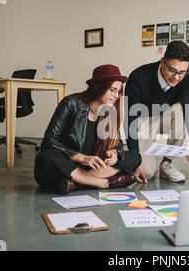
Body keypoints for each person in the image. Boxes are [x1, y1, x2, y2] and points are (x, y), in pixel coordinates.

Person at [34, 64, 142, 194]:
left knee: (135, 156)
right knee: (47, 155)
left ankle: (76, 184)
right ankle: (101, 183)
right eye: (112, 90)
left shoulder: (110, 112)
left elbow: (117, 144)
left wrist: (114, 153)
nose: (116, 96)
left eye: (118, 92)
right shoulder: (71, 103)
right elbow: (49, 142)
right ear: (98, 87)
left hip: (90, 168)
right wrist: (81, 157)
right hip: (67, 165)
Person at [125, 41, 189, 183]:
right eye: (172, 70)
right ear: (162, 61)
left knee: (180, 108)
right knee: (146, 173)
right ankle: (142, 160)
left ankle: (167, 163)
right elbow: (131, 120)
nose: (176, 77)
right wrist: (135, 159)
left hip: (167, 116)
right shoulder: (138, 76)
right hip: (144, 123)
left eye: (182, 72)